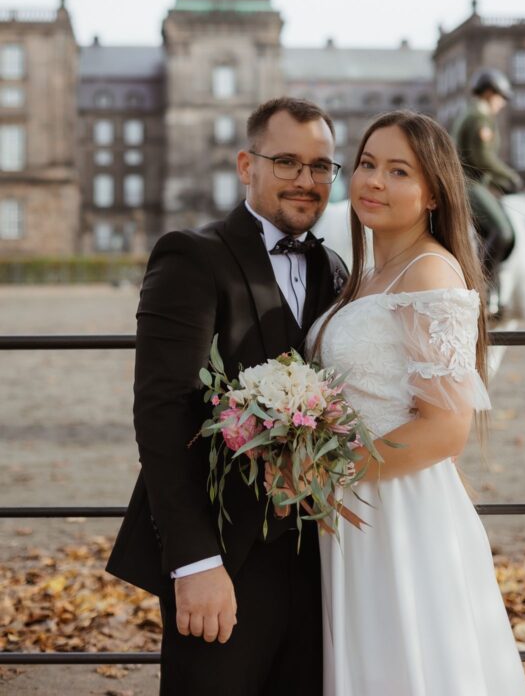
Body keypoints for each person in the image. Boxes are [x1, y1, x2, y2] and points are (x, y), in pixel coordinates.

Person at [107, 97, 347, 696]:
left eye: (321, 167)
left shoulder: (335, 270)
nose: (305, 180)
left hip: (322, 567)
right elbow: (162, 414)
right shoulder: (192, 255)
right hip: (224, 560)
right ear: (247, 165)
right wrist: (194, 563)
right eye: (286, 161)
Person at [309, 111, 525, 696]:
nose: (374, 181)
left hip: (400, 512)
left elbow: (446, 430)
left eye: (398, 171)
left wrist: (323, 471)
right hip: (355, 509)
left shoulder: (429, 270)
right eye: (367, 164)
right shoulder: (367, 274)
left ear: (432, 192)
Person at [451, 68, 522, 312]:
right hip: (468, 185)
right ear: (490, 93)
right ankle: (482, 288)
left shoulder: (473, 114)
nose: (502, 103)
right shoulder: (479, 119)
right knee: (502, 231)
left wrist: (498, 181)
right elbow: (481, 158)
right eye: (501, 97)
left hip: (475, 182)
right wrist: (509, 176)